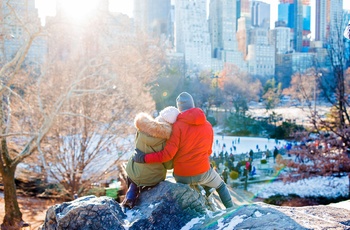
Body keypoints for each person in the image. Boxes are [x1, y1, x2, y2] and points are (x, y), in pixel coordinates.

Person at [133, 92, 233, 209]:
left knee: (195, 184)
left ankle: (203, 189)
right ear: (193, 105)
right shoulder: (208, 125)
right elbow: (209, 151)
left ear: (179, 108)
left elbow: (167, 155)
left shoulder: (177, 127)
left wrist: (144, 158)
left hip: (182, 176)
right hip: (203, 172)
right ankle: (231, 210)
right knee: (221, 185)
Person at [122, 106, 180, 209]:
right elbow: (168, 165)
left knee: (134, 172)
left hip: (135, 172)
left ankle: (131, 192)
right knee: (149, 176)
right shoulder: (167, 140)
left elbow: (137, 147)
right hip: (154, 178)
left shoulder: (142, 129)